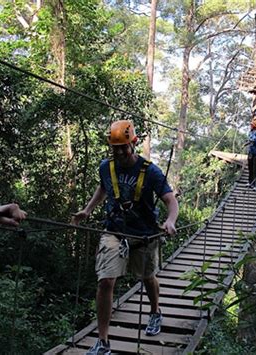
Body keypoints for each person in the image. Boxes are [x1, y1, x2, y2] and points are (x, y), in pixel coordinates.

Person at [72, 120, 179, 355]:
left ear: (134, 143)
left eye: (124, 147)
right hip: (114, 230)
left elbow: (170, 200)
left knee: (147, 277)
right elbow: (103, 188)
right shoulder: (105, 167)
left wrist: (170, 220)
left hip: (144, 233)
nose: (119, 152)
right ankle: (103, 341)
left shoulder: (150, 171)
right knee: (105, 281)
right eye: (115, 147)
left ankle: (155, 312)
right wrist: (87, 210)